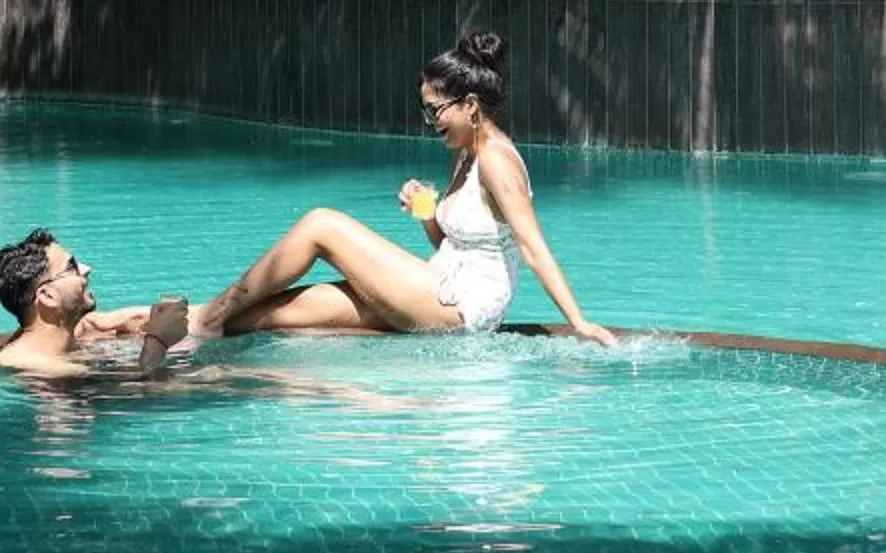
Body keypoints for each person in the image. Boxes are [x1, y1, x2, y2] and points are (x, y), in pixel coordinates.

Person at [184, 29, 616, 346]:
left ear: (469, 105)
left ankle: (205, 321)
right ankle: (127, 324)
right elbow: (454, 245)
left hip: (461, 308)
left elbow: (534, 249)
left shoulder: (498, 163)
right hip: (433, 287)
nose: (431, 124)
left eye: (435, 111)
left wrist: (579, 322)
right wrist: (428, 214)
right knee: (260, 316)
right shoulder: (466, 151)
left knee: (323, 224)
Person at [0, 228, 189, 377]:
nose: (86, 269)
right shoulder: (38, 367)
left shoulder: (50, 343)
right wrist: (159, 340)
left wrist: (101, 322)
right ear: (48, 297)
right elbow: (140, 387)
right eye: (72, 267)